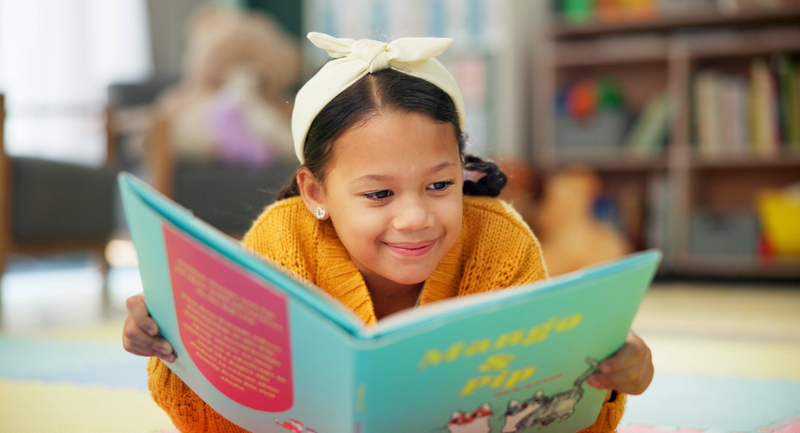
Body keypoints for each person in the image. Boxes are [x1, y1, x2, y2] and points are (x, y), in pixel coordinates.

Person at [122, 32, 653, 432]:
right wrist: (175, 343)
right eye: (379, 194)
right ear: (315, 193)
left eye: (440, 185)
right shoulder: (281, 242)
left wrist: (606, 376)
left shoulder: (501, 244)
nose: (415, 218)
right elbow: (215, 421)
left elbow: (553, 413)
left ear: (461, 168)